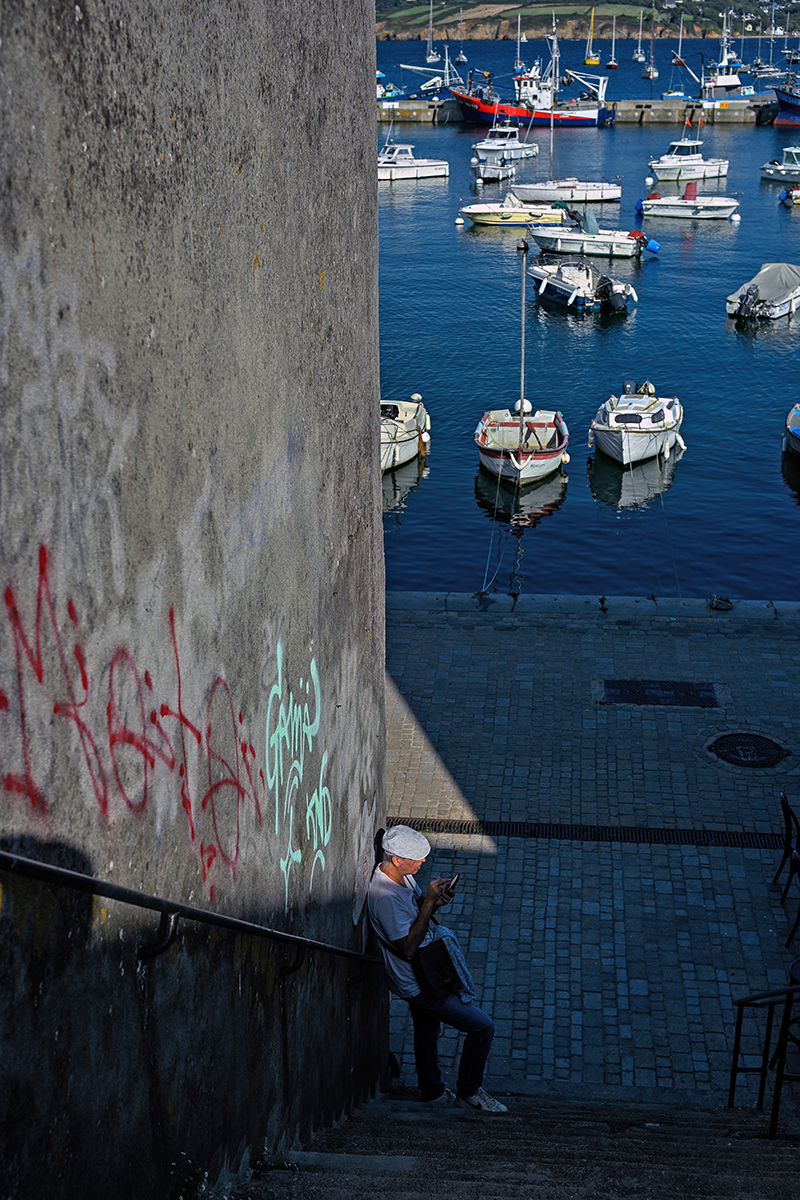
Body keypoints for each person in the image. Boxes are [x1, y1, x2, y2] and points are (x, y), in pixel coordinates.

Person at [367, 824, 507, 1113]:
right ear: (396, 860)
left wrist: (434, 903)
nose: (423, 862)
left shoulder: (401, 878)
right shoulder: (385, 897)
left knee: (427, 1030)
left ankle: (431, 1090)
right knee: (482, 1027)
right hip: (419, 983)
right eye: (417, 858)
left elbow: (417, 916)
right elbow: (407, 947)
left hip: (425, 973)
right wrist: (429, 901)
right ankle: (469, 1093)